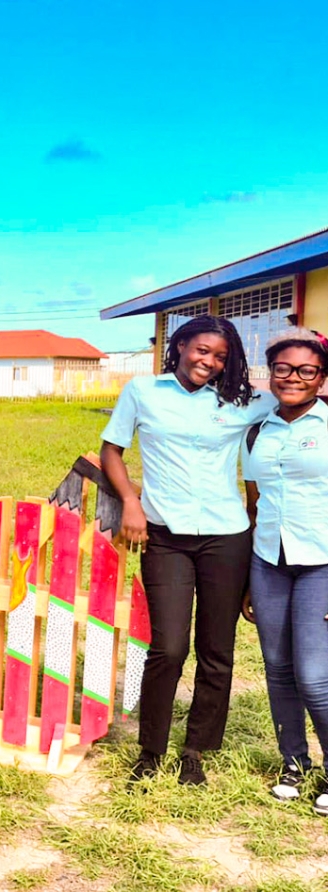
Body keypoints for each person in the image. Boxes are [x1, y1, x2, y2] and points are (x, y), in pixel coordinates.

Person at [101, 315, 275, 786]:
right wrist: (130, 502)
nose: (209, 362)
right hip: (165, 536)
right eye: (201, 350)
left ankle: (196, 750)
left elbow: (296, 394)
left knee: (216, 649)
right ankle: (151, 750)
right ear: (179, 345)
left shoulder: (242, 400)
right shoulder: (142, 391)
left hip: (227, 537)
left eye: (220, 356)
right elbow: (111, 450)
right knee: (169, 647)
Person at [241, 328, 328, 813]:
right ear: (271, 373)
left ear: (321, 378)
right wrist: (246, 581)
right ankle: (294, 762)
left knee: (314, 676)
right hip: (269, 561)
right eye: (283, 368)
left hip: (322, 564)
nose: (293, 377)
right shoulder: (258, 431)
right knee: (278, 670)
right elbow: (254, 503)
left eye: (306, 370)